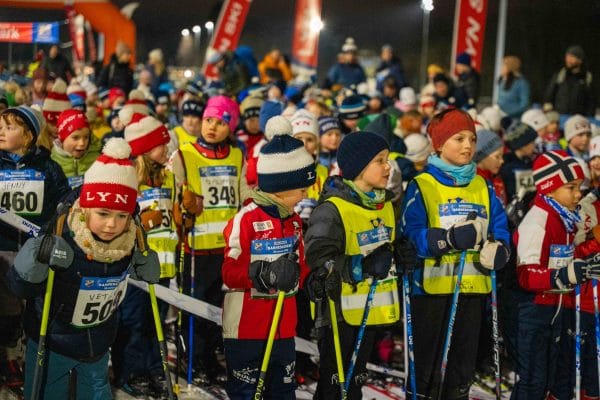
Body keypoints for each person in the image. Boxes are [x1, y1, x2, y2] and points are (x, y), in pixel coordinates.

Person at [7, 138, 161, 400]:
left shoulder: (131, 238)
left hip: (98, 345)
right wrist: (33, 262)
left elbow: (136, 273)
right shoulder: (61, 232)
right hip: (53, 342)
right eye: (103, 213)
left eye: (122, 216)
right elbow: (20, 288)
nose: (112, 224)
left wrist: (145, 265)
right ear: (86, 208)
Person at [400, 109, 510, 398]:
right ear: (439, 144)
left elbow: (499, 226)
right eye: (459, 139)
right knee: (428, 370)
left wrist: (499, 248)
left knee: (461, 371)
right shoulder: (422, 185)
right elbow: (411, 235)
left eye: (472, 139)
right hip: (432, 292)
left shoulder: (482, 185)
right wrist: (446, 240)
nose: (468, 146)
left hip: (472, 290)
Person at [221, 116, 315, 399]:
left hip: (283, 328)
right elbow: (229, 273)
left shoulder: (294, 220)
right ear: (281, 185)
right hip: (247, 328)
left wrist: (315, 280)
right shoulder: (247, 219)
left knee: (283, 393)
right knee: (246, 393)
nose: (306, 194)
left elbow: (300, 267)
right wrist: (262, 274)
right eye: (302, 188)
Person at [305, 131, 401, 399]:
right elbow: (319, 259)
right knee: (334, 386)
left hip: (369, 310)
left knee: (354, 383)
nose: (388, 167)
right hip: (338, 314)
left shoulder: (384, 205)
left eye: (387, 160)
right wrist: (362, 266)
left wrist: (401, 255)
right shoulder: (333, 208)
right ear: (359, 166)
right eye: (380, 161)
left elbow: (385, 250)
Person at [170, 95, 245, 385]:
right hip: (195, 247)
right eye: (208, 120)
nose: (212, 127)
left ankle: (211, 356)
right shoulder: (184, 154)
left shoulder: (237, 156)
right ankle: (193, 357)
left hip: (226, 248)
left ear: (231, 127)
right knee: (195, 309)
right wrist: (182, 209)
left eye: (221, 122)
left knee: (218, 309)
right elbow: (173, 194)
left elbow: (244, 197)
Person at [0, 105, 69, 394]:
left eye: (10, 127)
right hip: (3, 250)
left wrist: (53, 230)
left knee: (34, 309)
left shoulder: (48, 167)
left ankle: (30, 357)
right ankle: (9, 358)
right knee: (7, 309)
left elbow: (63, 204)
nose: (1, 131)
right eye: (0, 126)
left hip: (34, 251)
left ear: (28, 134)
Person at [511, 150, 590, 398]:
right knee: (533, 381)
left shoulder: (564, 218)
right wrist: (562, 276)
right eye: (571, 187)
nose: (578, 194)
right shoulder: (539, 220)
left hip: (556, 308)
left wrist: (585, 263)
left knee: (550, 378)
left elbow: (563, 259)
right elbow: (526, 274)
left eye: (580, 186)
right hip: (533, 311)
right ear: (549, 188)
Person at [112, 114, 176, 398]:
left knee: (155, 322)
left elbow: (173, 217)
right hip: (136, 265)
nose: (167, 148)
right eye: (162, 144)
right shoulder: (127, 179)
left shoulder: (168, 176)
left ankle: (153, 369)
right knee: (134, 321)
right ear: (146, 148)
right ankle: (130, 371)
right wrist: (140, 222)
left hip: (163, 264)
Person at [51, 109, 101, 189]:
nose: (82, 143)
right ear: (62, 138)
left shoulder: (98, 160)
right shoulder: (52, 162)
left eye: (86, 137)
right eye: (75, 138)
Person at [544, 45, 595, 116]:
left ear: (580, 60)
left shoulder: (586, 77)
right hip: (560, 116)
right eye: (567, 56)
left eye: (571, 57)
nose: (568, 59)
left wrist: (589, 116)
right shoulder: (561, 74)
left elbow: (591, 101)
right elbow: (550, 94)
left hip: (578, 118)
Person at [499, 121, 538, 201]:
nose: (534, 146)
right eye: (531, 142)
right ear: (522, 144)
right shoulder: (507, 167)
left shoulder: (531, 161)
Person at [475, 129, 507, 205]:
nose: (502, 161)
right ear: (482, 157)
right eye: (497, 156)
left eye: (502, 156)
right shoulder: (473, 183)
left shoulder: (496, 179)